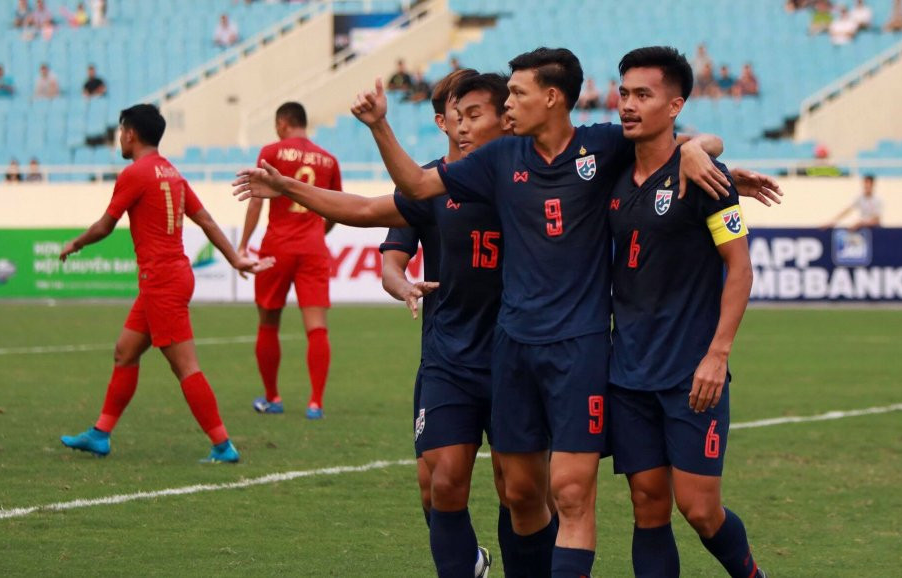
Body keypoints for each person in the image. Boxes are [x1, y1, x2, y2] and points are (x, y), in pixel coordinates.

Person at [343, 47, 747, 577]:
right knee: (534, 492)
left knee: (600, 496)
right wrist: (378, 127)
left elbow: (684, 155)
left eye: (516, 93)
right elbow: (415, 188)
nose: (627, 103)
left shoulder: (606, 148)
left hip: (593, 351)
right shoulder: (502, 158)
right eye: (624, 93)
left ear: (552, 97)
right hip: (533, 353)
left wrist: (699, 149)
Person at [234, 69, 504, 578]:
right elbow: (369, 222)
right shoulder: (425, 183)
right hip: (448, 355)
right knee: (439, 482)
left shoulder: (524, 177)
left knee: (521, 489)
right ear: (441, 120)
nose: (462, 124)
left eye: (473, 113)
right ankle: (467, 564)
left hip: (515, 355)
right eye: (455, 113)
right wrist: (402, 284)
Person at [609, 45, 767, 578]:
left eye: (643, 95)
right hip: (627, 372)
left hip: (691, 373)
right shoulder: (611, 170)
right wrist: (699, 144)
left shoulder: (704, 177)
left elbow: (740, 269)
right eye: (624, 93)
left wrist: (717, 355)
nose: (628, 105)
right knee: (647, 505)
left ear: (674, 106)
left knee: (699, 508)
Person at [59, 104, 271, 462]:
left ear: (130, 134)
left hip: (162, 281)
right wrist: (235, 258)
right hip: (169, 277)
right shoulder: (172, 173)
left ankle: (223, 445)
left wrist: (76, 243)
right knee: (125, 352)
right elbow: (205, 220)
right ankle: (100, 434)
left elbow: (106, 225)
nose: (119, 138)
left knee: (185, 366)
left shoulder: (135, 174)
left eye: (121, 131)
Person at [237, 102, 340, 420]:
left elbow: (256, 201)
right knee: (316, 326)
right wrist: (317, 232)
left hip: (276, 247)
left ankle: (273, 397)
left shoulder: (271, 152)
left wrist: (242, 245)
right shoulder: (328, 159)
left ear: (283, 123)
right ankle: (316, 403)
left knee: (268, 321)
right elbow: (335, 208)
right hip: (313, 248)